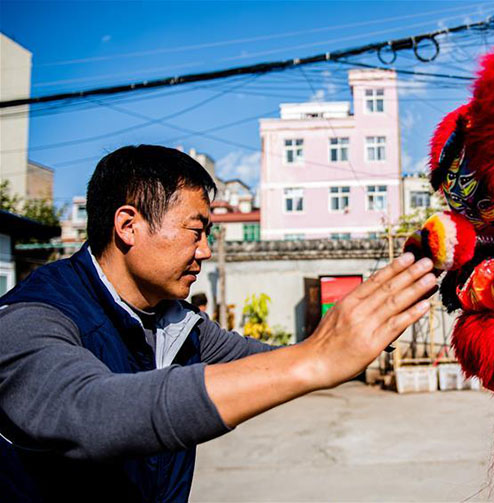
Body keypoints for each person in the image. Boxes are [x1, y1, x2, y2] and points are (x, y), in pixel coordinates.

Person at [0, 145, 435, 502]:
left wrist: (359, 336)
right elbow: (94, 413)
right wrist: (314, 359)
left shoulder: (177, 324)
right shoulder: (29, 319)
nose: (205, 251)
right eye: (196, 231)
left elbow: (271, 365)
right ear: (128, 226)